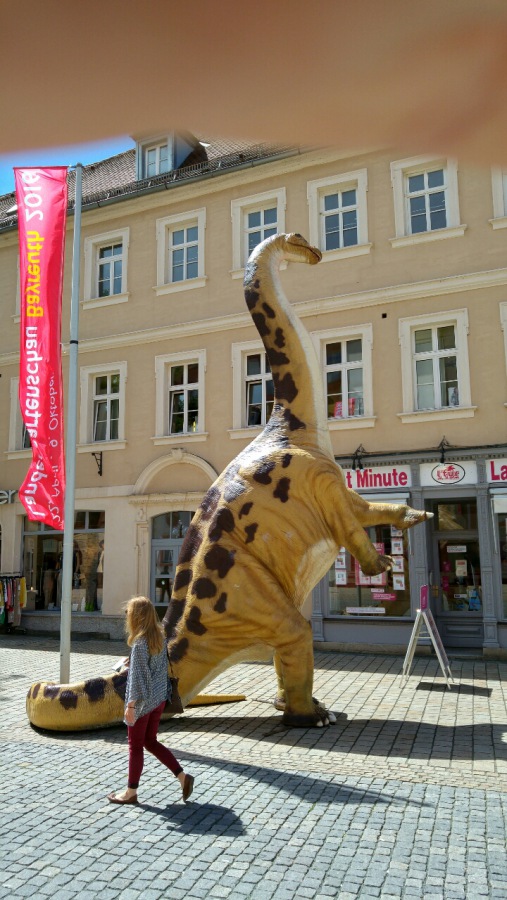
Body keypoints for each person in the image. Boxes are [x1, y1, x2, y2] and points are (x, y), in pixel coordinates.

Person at [107, 595, 194, 805]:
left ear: (136, 617)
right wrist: (134, 662)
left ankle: (130, 792)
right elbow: (154, 669)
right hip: (159, 699)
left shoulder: (139, 643)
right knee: (150, 742)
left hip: (143, 702)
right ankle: (183, 777)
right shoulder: (158, 638)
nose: (127, 616)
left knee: (135, 746)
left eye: (129, 613)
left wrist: (130, 706)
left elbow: (138, 678)